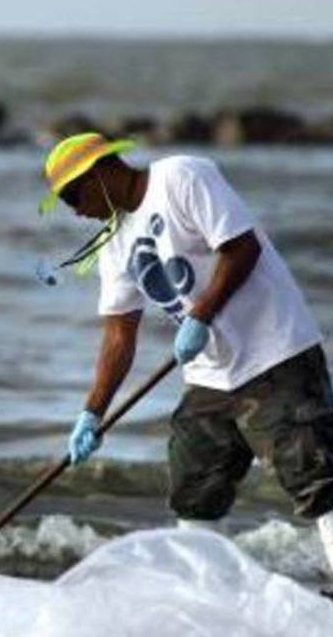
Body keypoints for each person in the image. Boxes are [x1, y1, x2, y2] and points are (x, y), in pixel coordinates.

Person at [39, 132, 333, 573]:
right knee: (194, 491)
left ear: (99, 172)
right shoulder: (115, 242)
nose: (77, 211)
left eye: (72, 196)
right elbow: (120, 333)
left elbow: (240, 248)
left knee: (318, 482)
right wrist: (93, 414)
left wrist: (201, 314)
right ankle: (207, 600)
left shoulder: (181, 176)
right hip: (210, 378)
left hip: (275, 355)